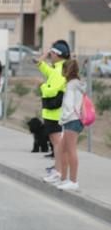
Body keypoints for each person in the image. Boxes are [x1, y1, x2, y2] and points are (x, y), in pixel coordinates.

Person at [37, 40, 70, 185]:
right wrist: (43, 56)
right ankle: (58, 172)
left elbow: (52, 90)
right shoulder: (58, 68)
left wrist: (42, 86)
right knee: (55, 143)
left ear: (57, 54)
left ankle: (59, 172)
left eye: (52, 52)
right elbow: (41, 66)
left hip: (54, 113)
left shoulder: (59, 70)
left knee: (57, 144)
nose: (50, 55)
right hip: (52, 113)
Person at [56, 59, 86, 191]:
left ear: (66, 70)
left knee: (71, 150)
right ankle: (64, 179)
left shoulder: (71, 86)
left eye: (63, 69)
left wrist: (62, 119)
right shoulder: (78, 84)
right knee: (62, 149)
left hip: (71, 120)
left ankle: (73, 181)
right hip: (76, 120)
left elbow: (68, 106)